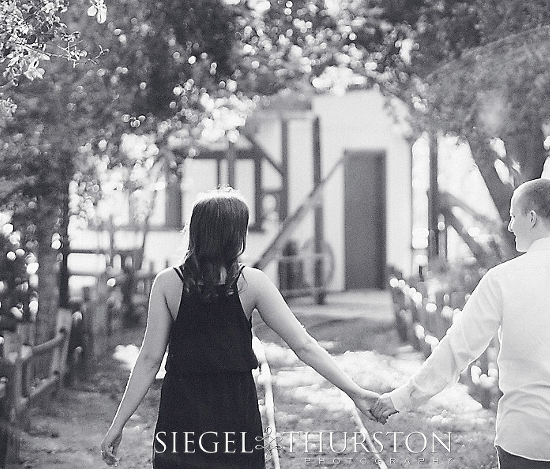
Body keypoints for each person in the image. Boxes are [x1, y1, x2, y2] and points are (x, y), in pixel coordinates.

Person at [100, 188, 379, 469]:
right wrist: (354, 391)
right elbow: (304, 345)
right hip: (234, 412)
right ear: (234, 237)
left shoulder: (167, 283)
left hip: (180, 412)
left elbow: (149, 359)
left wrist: (118, 424)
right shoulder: (252, 283)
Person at [372, 179, 550, 469]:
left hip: (525, 439)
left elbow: (457, 348)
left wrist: (402, 398)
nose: (510, 226)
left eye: (513, 216)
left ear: (532, 218)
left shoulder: (502, 280)